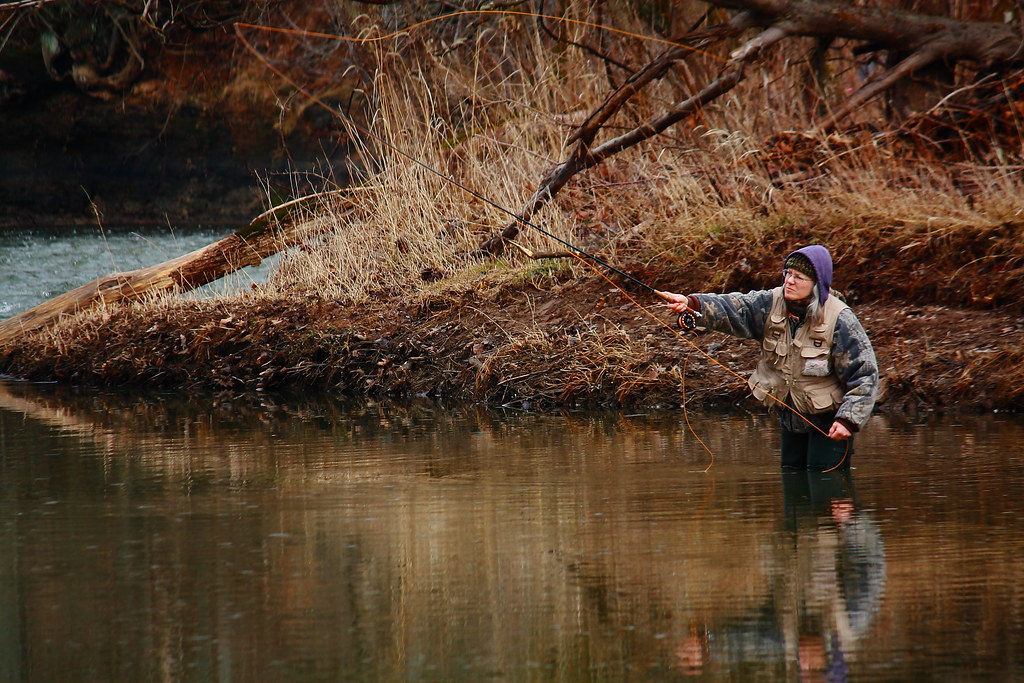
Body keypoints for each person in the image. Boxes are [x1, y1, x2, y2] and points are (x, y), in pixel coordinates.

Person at [658, 245, 878, 471]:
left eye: (798, 277)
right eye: (788, 274)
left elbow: (865, 374)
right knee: (792, 480)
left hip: (831, 423)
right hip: (790, 420)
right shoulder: (769, 304)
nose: (789, 281)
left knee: (824, 483)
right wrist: (691, 304)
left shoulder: (840, 319)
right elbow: (734, 307)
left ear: (816, 283)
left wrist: (848, 419)